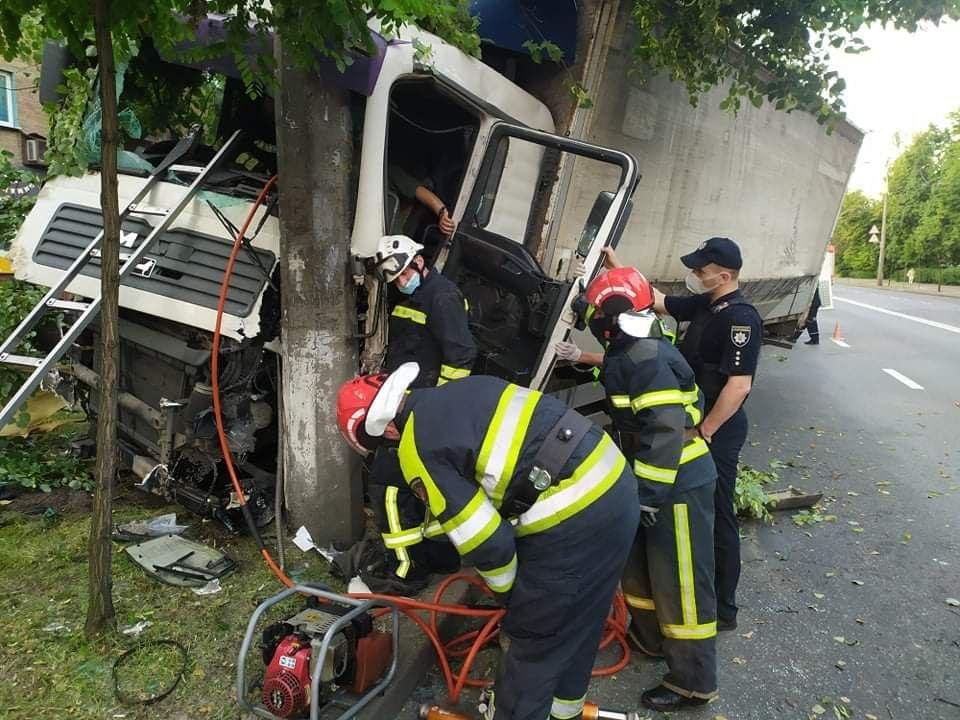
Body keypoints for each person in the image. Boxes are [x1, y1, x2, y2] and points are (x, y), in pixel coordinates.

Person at [336, 363, 640, 720]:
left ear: (385, 428)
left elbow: (486, 541)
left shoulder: (415, 446)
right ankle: (565, 712)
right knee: (581, 620)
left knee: (533, 639)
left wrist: (512, 597)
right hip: (614, 485)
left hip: (573, 515)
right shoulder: (463, 390)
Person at [555, 267, 719, 711]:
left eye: (593, 312)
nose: (592, 320)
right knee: (641, 571)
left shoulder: (647, 358)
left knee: (681, 582)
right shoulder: (630, 349)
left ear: (612, 314)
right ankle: (649, 640)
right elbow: (619, 392)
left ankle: (693, 680)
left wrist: (647, 497)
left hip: (676, 483)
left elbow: (665, 434)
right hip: (646, 479)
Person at [647, 237, 762, 632]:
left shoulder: (740, 319)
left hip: (718, 431)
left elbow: (739, 385)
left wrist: (703, 431)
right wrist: (613, 265)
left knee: (717, 514)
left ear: (723, 275)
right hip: (696, 425)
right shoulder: (707, 304)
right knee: (695, 509)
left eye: (700, 270)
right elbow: (659, 301)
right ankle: (694, 587)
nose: (694, 276)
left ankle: (724, 609)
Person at [361, 235, 478, 593]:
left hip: (421, 407)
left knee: (389, 485)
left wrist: (436, 407)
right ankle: (438, 557)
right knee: (426, 485)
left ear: (419, 262)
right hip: (407, 400)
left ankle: (407, 569)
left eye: (402, 275)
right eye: (393, 280)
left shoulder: (441, 297)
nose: (400, 283)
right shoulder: (412, 295)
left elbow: (461, 358)